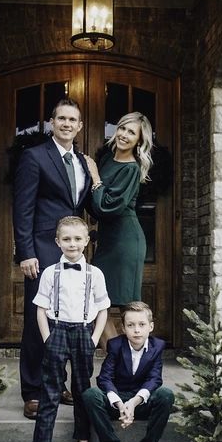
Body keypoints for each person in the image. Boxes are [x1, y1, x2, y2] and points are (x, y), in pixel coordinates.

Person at [13, 99, 91, 419]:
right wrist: (26, 252)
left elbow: (83, 204)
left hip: (72, 250)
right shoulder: (34, 157)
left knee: (65, 319)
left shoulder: (82, 162)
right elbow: (23, 208)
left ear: (80, 126)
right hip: (42, 249)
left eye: (73, 119)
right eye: (61, 118)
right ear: (51, 122)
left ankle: (57, 384)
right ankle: (33, 390)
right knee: (37, 319)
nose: (67, 124)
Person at [30, 216, 110, 442]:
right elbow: (40, 309)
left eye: (78, 239)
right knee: (51, 392)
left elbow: (102, 308)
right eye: (66, 239)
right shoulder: (50, 273)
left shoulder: (95, 274)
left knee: (82, 391)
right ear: (57, 242)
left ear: (86, 241)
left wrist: (94, 338)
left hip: (83, 333)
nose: (72, 244)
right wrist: (47, 338)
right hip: (58, 332)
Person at [84, 112, 153, 346]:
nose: (124, 134)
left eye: (131, 132)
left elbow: (107, 206)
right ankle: (117, 361)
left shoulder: (131, 169)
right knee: (95, 301)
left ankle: (134, 366)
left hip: (126, 242)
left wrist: (94, 175)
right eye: (122, 128)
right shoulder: (108, 159)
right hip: (108, 241)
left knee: (130, 308)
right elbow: (96, 205)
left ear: (139, 141)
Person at [83, 301, 174, 442]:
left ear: (151, 326)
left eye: (142, 325)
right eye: (130, 325)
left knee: (166, 395)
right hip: (117, 401)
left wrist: (133, 403)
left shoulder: (157, 347)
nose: (137, 330)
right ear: (123, 328)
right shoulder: (116, 345)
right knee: (90, 394)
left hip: (140, 402)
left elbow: (155, 379)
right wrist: (119, 404)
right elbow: (105, 378)